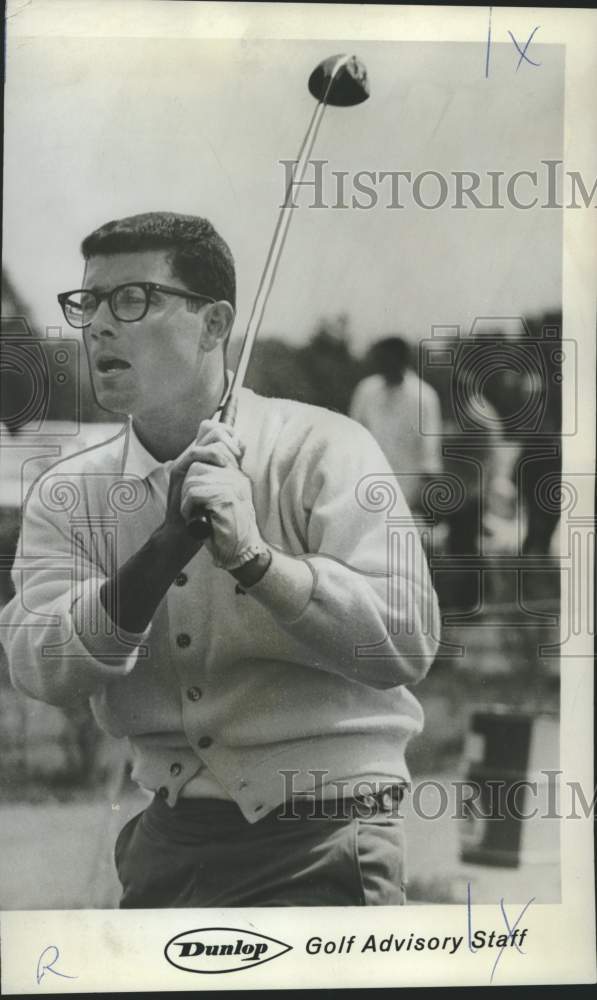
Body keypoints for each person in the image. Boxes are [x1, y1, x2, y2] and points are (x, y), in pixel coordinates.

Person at [0, 212, 439, 908]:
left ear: (214, 324)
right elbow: (37, 666)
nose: (98, 326)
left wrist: (256, 560)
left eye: (132, 300)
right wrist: (162, 549)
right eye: (88, 303)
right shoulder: (67, 491)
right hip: (167, 840)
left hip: (329, 831)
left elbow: (402, 643)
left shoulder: (324, 448)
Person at [349, 337, 443, 514]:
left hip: (407, 490)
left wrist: (423, 496)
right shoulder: (366, 390)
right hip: (368, 486)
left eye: (386, 359)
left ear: (401, 359)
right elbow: (354, 435)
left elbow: (430, 452)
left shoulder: (424, 396)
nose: (381, 365)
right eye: (379, 359)